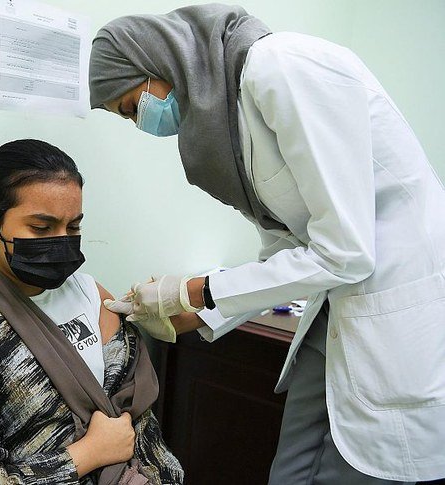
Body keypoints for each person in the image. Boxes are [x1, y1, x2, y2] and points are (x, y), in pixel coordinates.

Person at [89, 4, 445, 485]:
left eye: (133, 106)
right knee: (290, 472)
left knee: (356, 472)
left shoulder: (280, 67)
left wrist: (193, 290)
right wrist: (195, 313)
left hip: (392, 305)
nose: (141, 124)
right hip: (333, 311)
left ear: (159, 61)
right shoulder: (229, 129)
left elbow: (346, 249)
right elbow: (283, 251)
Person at [0, 139, 184, 484]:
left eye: (73, 227)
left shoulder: (95, 296)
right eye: (41, 228)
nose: (61, 240)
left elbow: (141, 430)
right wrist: (87, 455)